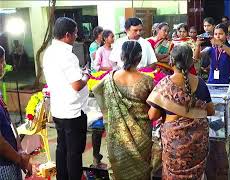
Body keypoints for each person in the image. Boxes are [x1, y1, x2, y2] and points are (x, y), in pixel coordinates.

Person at [147, 44, 214, 179]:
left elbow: (152, 115)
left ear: (171, 61)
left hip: (174, 143)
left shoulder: (164, 85)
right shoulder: (200, 83)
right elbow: (211, 111)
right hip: (199, 140)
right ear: (190, 63)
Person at [93, 41, 154, 180]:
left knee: (120, 170)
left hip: (117, 136)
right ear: (139, 58)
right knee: (141, 170)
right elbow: (154, 109)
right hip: (141, 135)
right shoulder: (147, 81)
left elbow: (97, 91)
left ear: (121, 56)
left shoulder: (109, 78)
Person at [43, 17, 89, 180]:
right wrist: (86, 76)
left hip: (59, 109)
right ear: (68, 35)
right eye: (76, 34)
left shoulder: (49, 52)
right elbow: (77, 85)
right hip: (73, 111)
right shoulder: (67, 55)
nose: (77, 37)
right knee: (74, 152)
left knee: (62, 147)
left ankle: (62, 177)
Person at [0, 46, 32, 179]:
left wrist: (20, 149)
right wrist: (20, 159)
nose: (4, 66)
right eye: (1, 62)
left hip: (13, 158)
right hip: (3, 165)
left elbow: (8, 121)